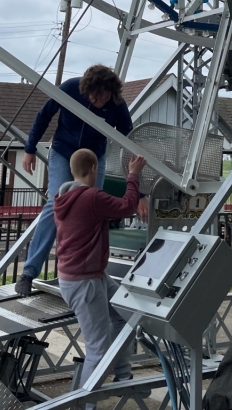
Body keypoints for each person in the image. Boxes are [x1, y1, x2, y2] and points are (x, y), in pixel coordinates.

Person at [15, 63, 147, 296]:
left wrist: (141, 194)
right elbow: (44, 115)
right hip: (64, 152)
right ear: (86, 91)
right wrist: (30, 148)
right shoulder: (70, 89)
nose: (100, 103)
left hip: (94, 155)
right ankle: (29, 272)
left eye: (104, 98)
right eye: (95, 98)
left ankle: (92, 269)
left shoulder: (117, 104)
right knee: (56, 201)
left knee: (93, 207)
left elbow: (130, 146)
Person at [54, 147, 146, 409]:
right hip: (85, 282)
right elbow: (127, 206)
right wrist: (133, 175)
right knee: (98, 348)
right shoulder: (91, 197)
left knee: (124, 313)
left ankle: (123, 376)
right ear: (94, 169)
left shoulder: (63, 197)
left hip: (87, 277)